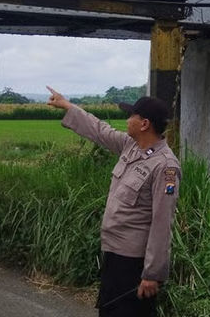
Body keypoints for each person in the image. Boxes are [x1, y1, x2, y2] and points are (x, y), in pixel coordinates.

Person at [47, 87, 181, 317]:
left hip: (134, 263)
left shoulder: (165, 166)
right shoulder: (131, 146)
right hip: (113, 254)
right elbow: (100, 131)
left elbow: (162, 223)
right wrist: (68, 106)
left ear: (144, 124)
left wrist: (151, 274)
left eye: (131, 116)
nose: (127, 120)